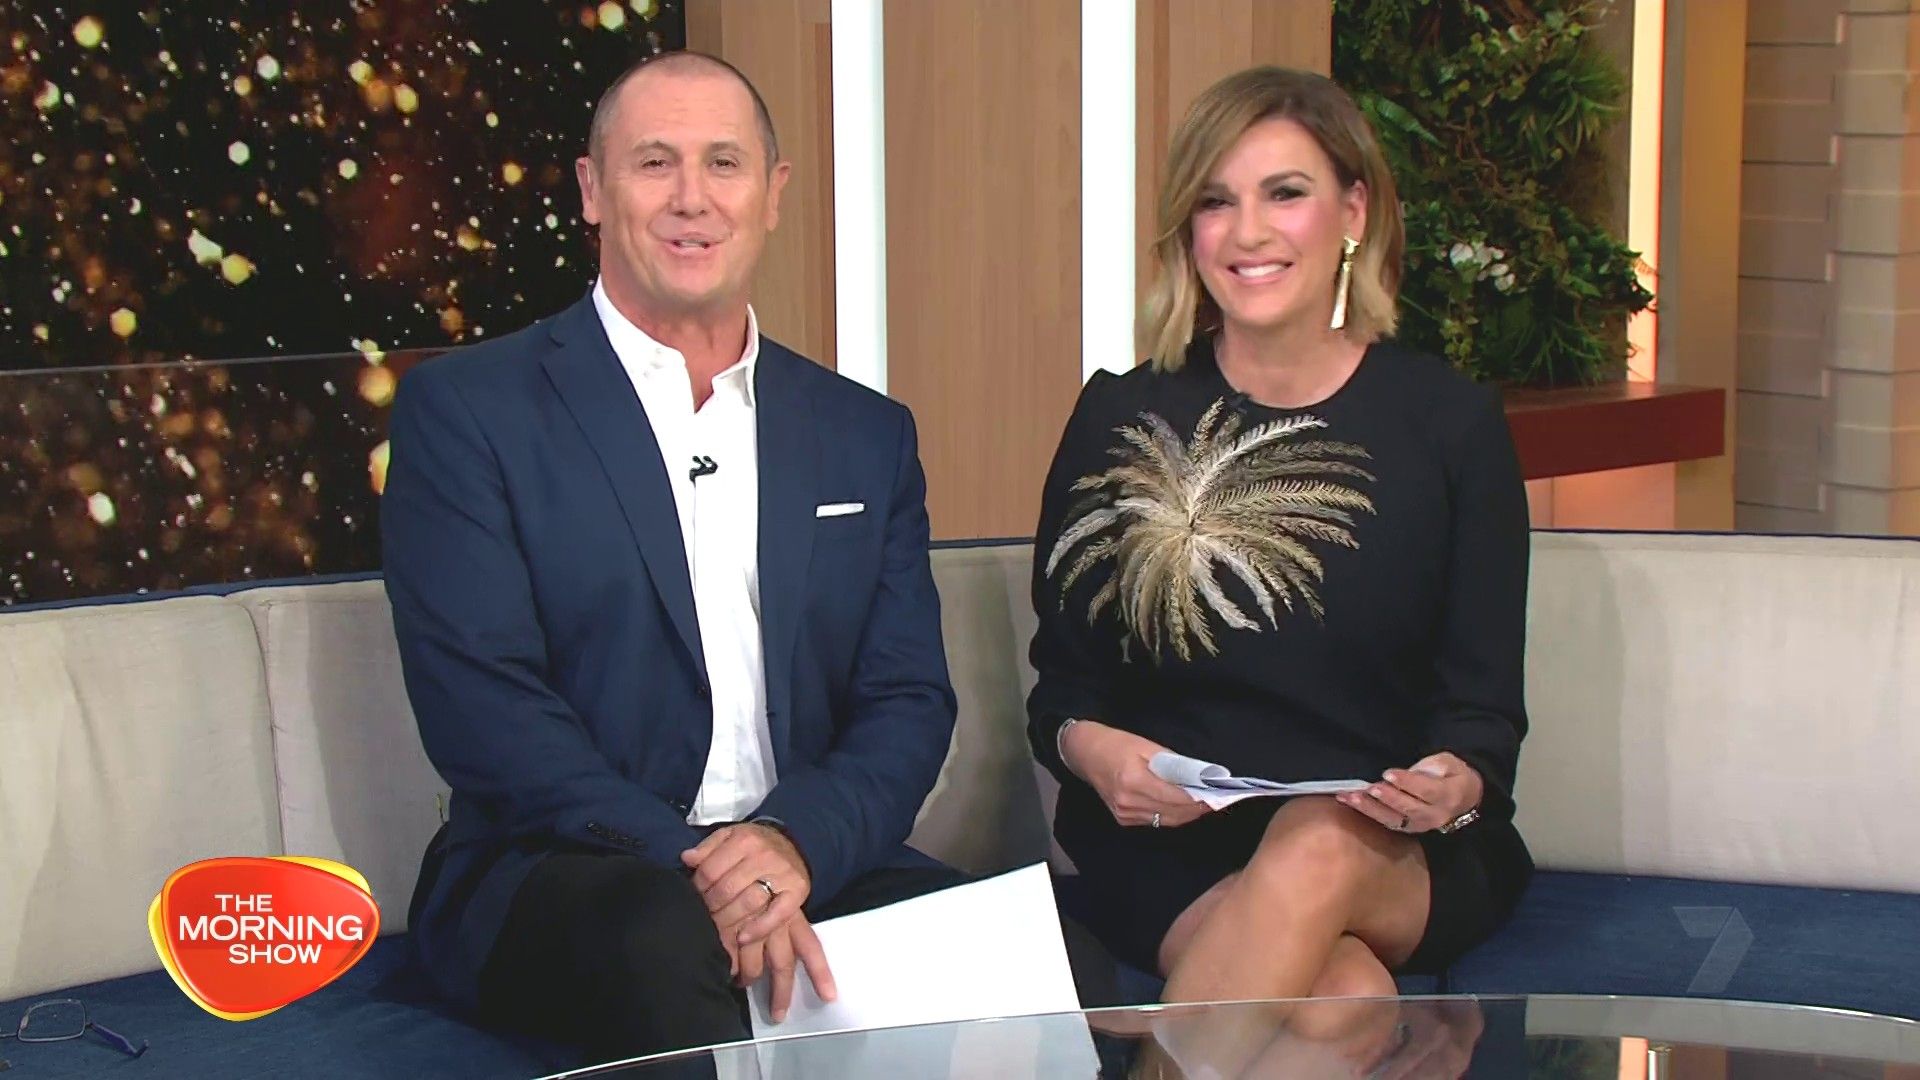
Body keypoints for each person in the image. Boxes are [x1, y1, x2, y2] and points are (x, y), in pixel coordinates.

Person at [381, 51, 963, 1064]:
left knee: (1060, 964)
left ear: (772, 194)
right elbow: (485, 713)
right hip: (570, 870)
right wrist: (713, 871)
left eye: (724, 163)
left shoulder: (865, 433)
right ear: (592, 191)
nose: (692, 197)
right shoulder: (469, 412)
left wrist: (792, 846)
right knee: (663, 948)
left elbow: (908, 700)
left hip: (805, 857)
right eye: (655, 163)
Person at [1027, 64, 1534, 1046]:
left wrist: (1455, 780)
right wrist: (1097, 753)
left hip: (1398, 852)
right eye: (1216, 202)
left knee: (1320, 839)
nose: (1247, 233)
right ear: (1188, 229)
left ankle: (1145, 1058)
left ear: (1354, 211)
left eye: (1285, 194)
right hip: (1169, 845)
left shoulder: (1449, 424)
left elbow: (1483, 715)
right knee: (1343, 1006)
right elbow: (1063, 693)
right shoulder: (1119, 419)